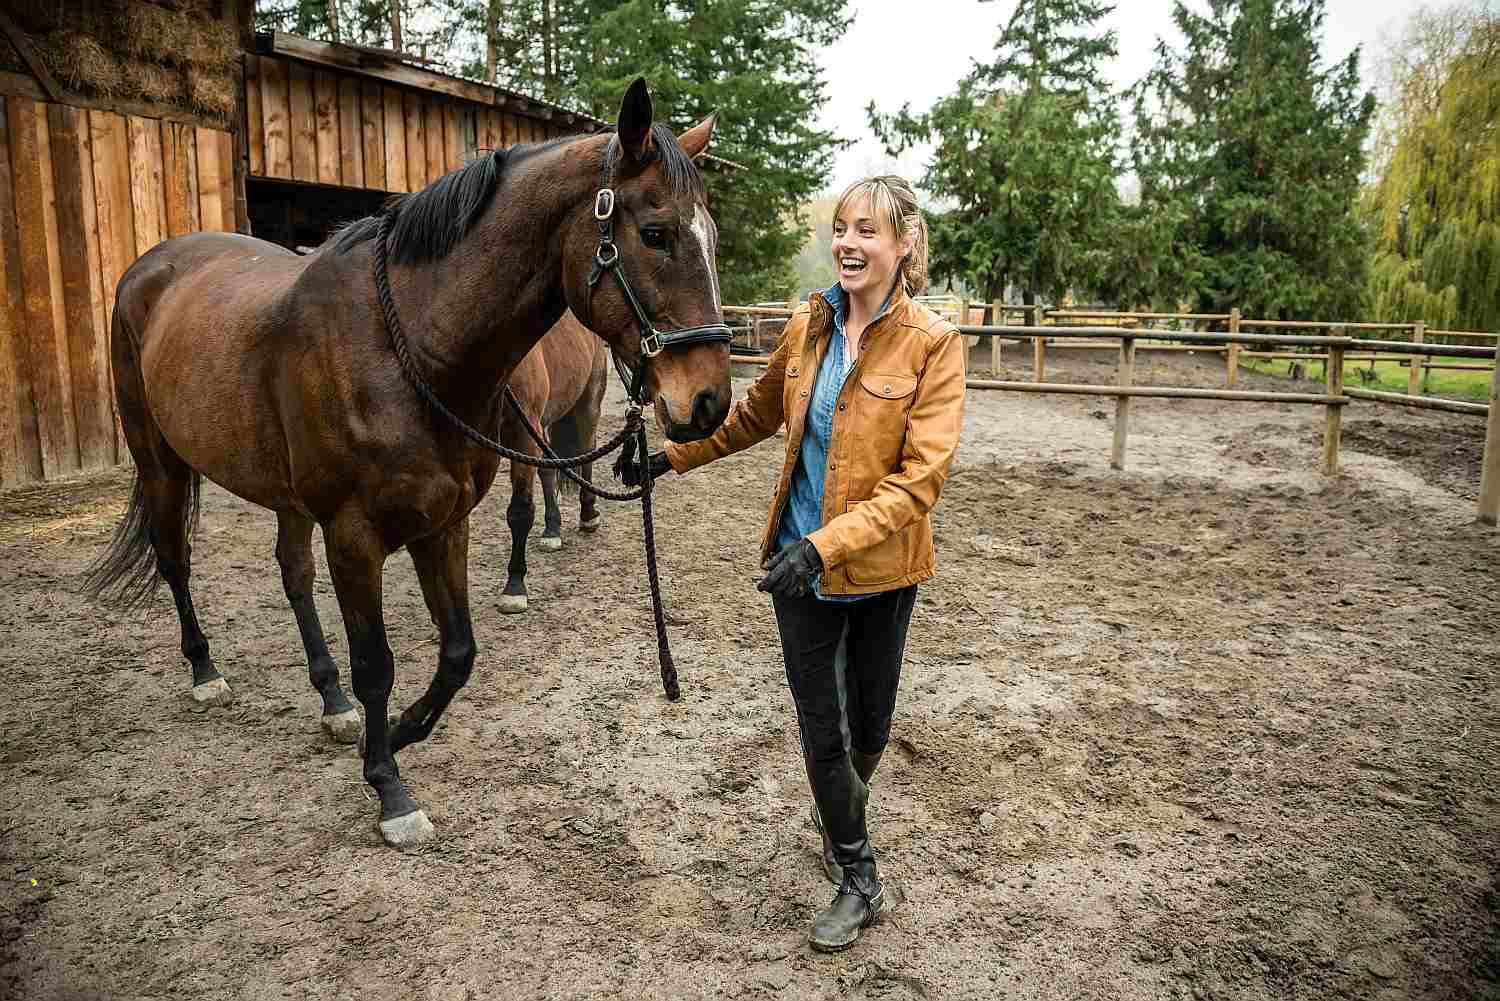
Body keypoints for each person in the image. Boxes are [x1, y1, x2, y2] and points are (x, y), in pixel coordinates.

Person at [621, 175, 966, 951]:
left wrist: (828, 543)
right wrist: (671, 459)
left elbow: (922, 481)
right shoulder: (808, 325)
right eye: (842, 228)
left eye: (866, 230)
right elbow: (753, 415)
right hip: (796, 569)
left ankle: (840, 807)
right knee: (825, 732)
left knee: (870, 725)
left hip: (881, 570)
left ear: (903, 245)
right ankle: (859, 876)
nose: (847, 242)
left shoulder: (934, 346)